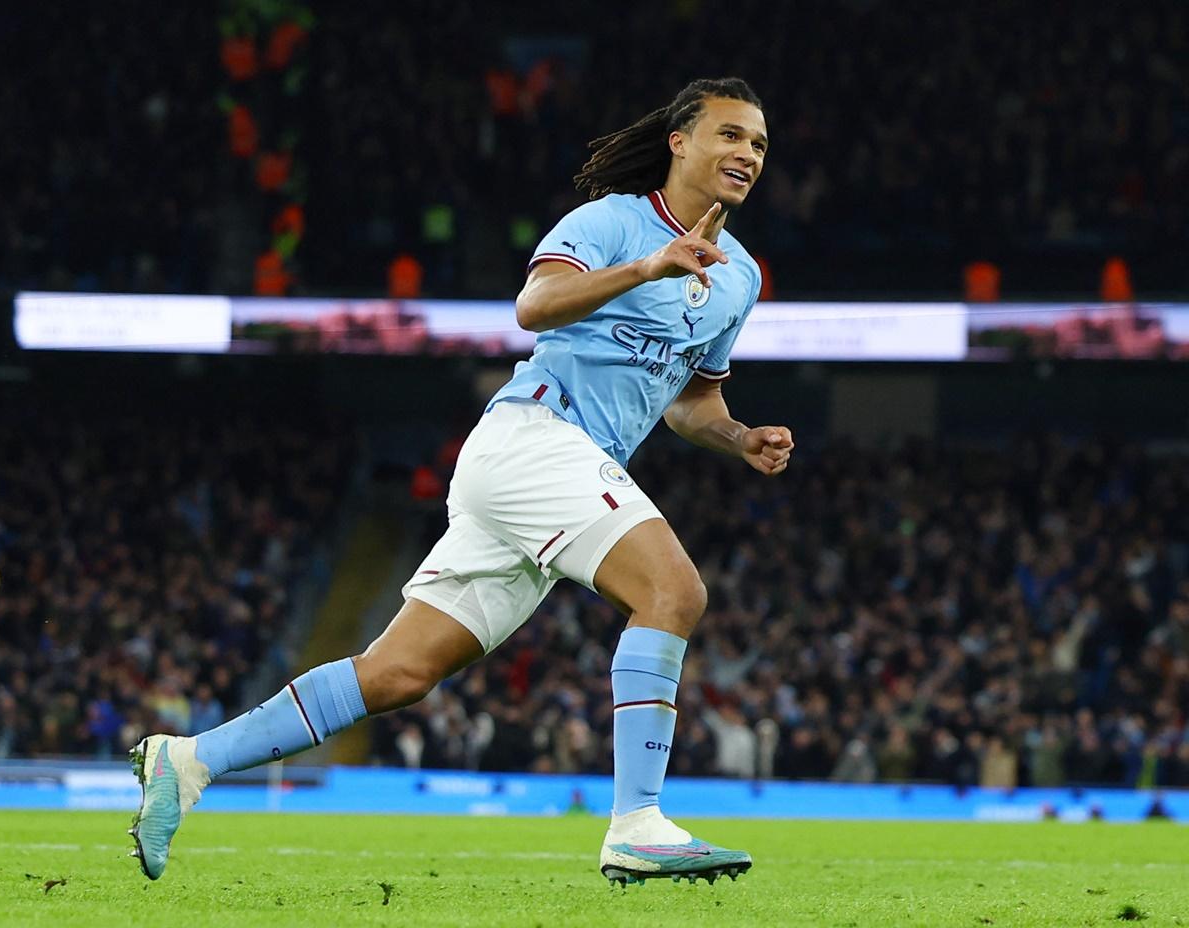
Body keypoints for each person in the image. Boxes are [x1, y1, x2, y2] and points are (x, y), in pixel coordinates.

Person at [129, 76, 792, 887]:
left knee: (399, 673)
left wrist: (738, 435)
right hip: (533, 440)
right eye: (730, 135)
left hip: (555, 474)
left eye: (757, 144)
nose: (746, 154)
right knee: (675, 594)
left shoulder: (740, 277)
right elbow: (534, 305)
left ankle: (189, 761)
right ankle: (638, 823)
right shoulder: (612, 222)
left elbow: (694, 399)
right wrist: (647, 266)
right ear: (680, 142)